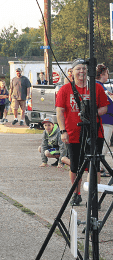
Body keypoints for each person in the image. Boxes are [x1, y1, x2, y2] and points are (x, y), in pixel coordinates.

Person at [56, 59, 109, 206]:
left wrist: (92, 114)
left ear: (89, 71)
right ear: (72, 72)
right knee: (75, 166)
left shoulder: (96, 88)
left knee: (95, 166)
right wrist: (62, 131)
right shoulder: (65, 90)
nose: (81, 71)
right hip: (73, 133)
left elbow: (104, 108)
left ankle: (93, 197)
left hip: (94, 133)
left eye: (84, 69)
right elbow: (59, 112)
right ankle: (76, 193)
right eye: (78, 69)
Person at [96, 63, 113, 177]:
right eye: (106, 73)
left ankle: (100, 166)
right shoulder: (99, 86)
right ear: (102, 74)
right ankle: (99, 167)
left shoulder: (100, 86)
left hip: (107, 120)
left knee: (105, 145)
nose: (107, 75)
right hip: (105, 120)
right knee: (104, 145)